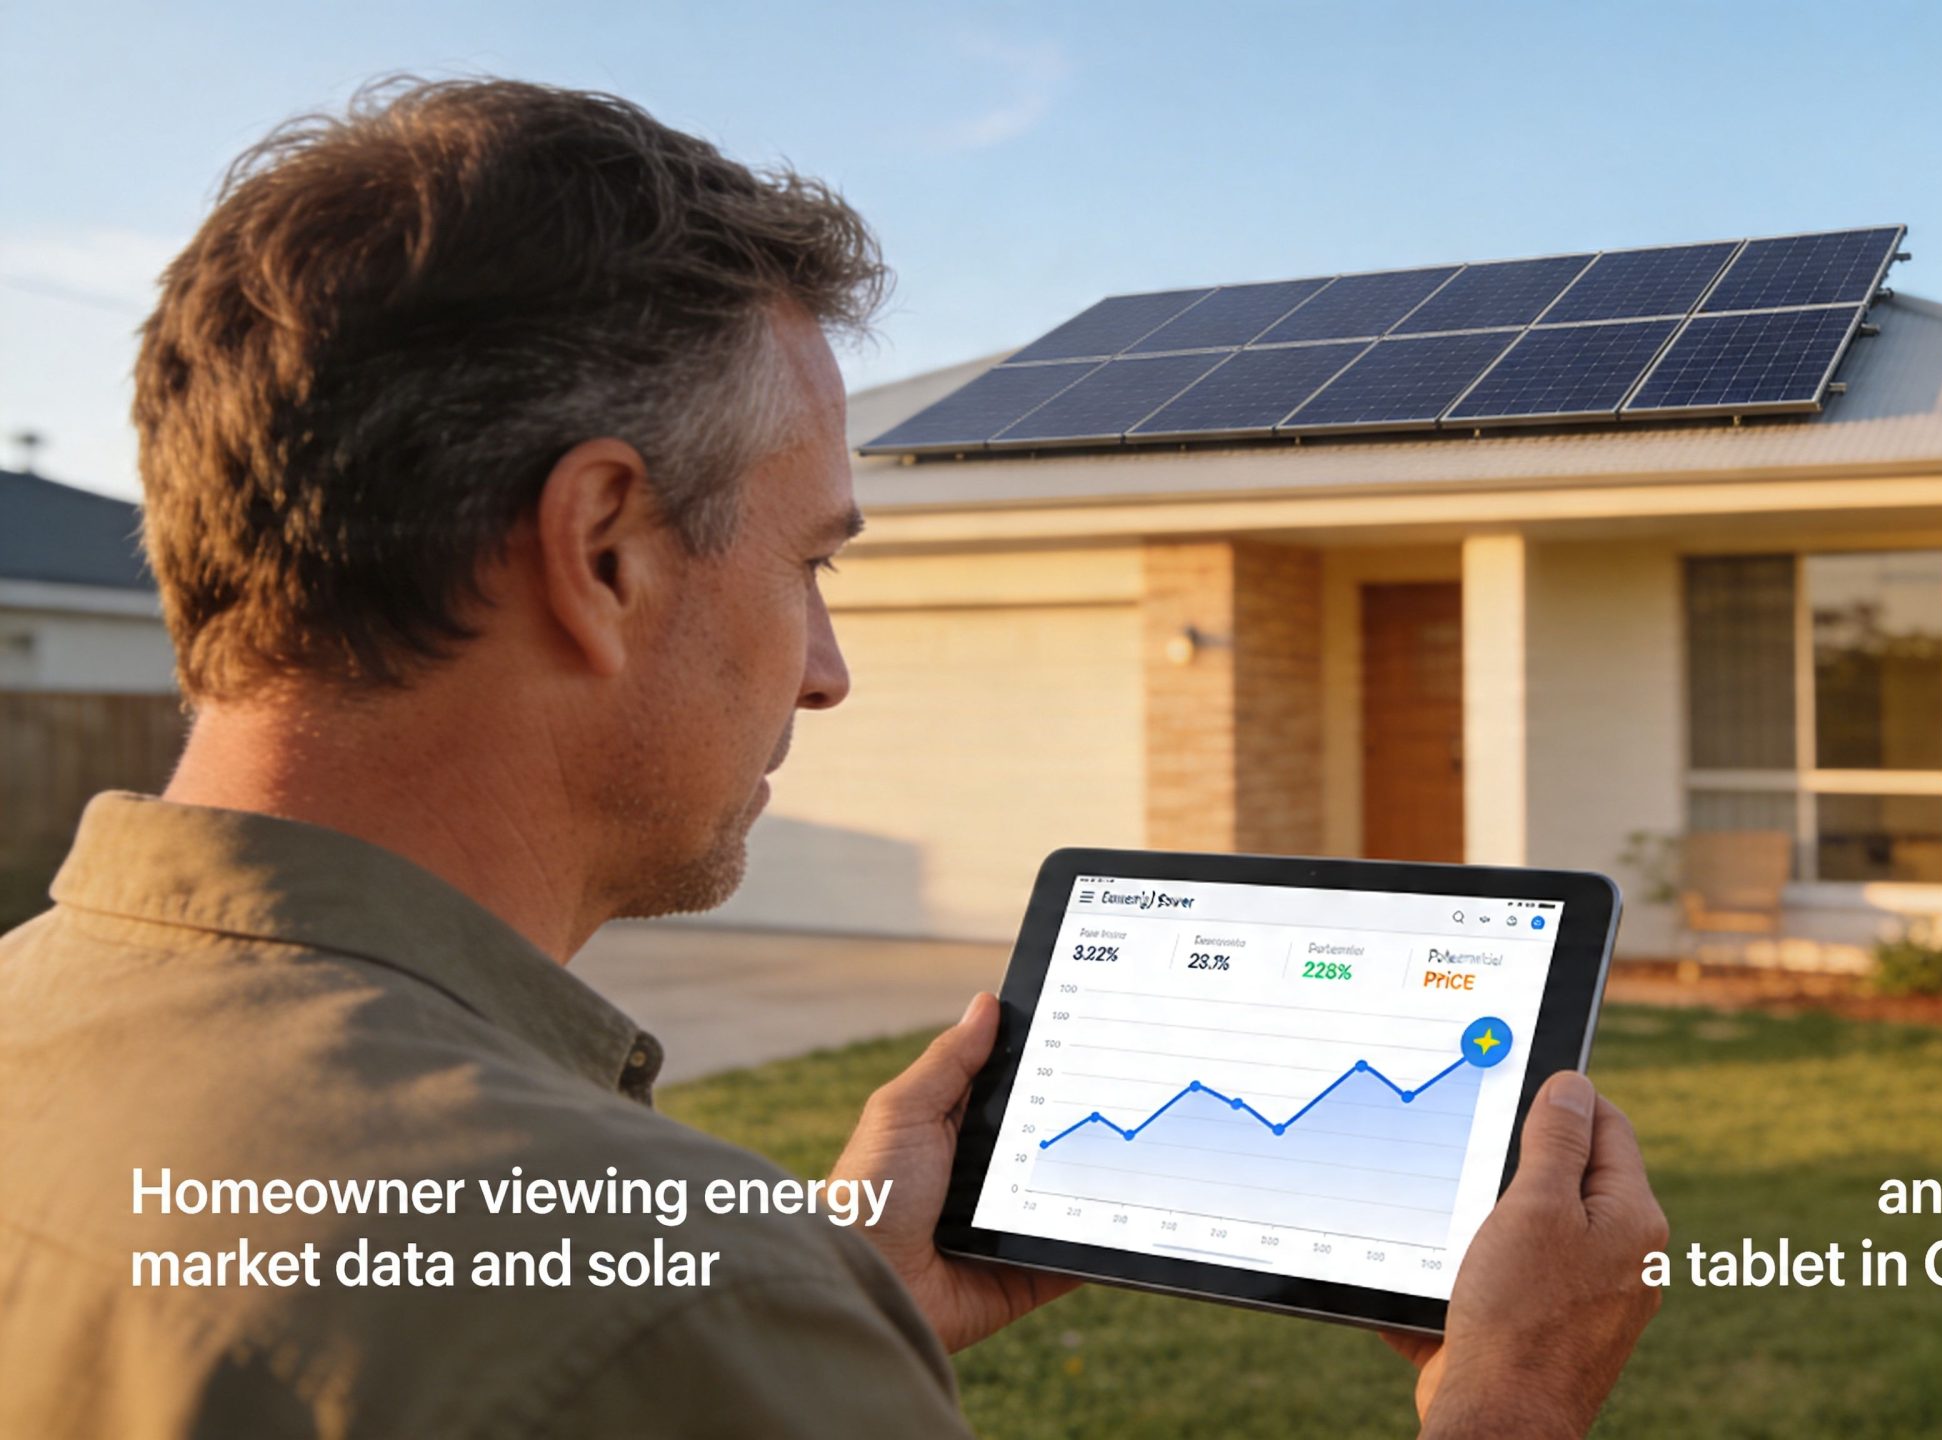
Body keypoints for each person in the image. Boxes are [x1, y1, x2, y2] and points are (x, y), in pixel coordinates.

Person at [0, 77, 1666, 1438]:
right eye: (810, 564)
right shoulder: (658, 1320)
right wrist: (1507, 1405)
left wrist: (839, 1290)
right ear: (599, 554)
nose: (830, 671)